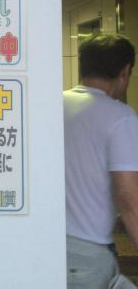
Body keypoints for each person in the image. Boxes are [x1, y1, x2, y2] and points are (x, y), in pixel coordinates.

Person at [64, 33, 138, 289]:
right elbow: (127, 196)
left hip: (49, 243)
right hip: (88, 252)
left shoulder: (54, 104)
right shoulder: (120, 117)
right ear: (125, 72)